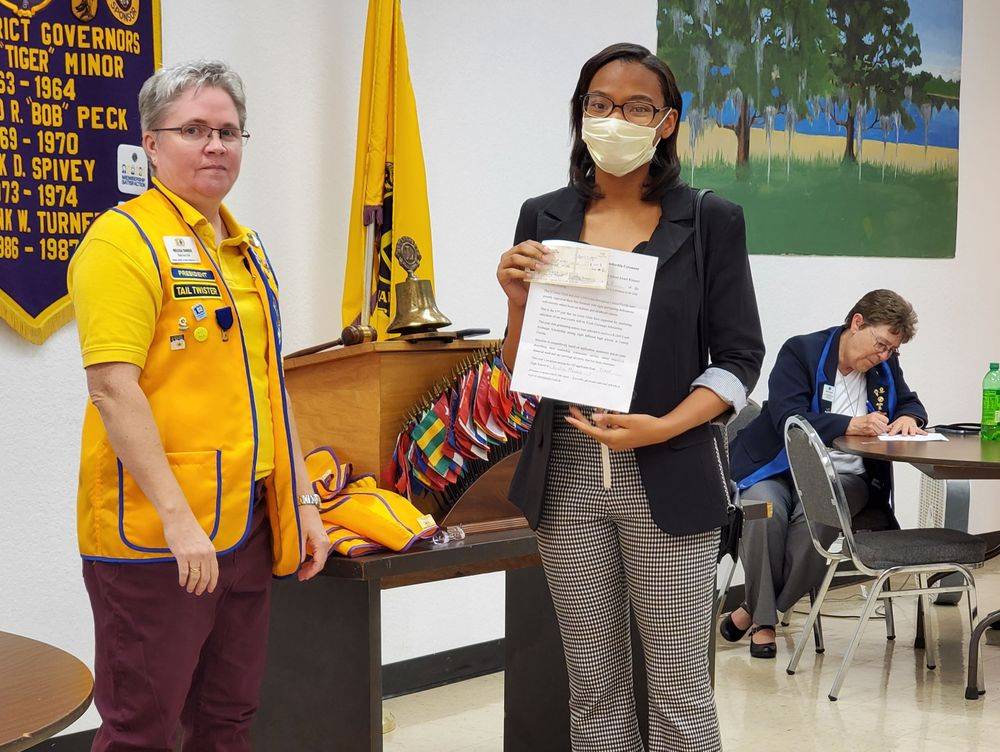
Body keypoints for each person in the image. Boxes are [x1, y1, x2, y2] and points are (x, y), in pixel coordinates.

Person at [498, 43, 763, 752]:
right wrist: (516, 302)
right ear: (580, 116)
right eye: (600, 104)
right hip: (567, 480)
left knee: (679, 692)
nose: (616, 117)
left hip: (670, 475)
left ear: (667, 121)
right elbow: (520, 368)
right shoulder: (542, 216)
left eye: (637, 106)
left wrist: (664, 425)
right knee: (593, 691)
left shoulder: (711, 220)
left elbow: (741, 359)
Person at [67, 60, 332, 750]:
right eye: (193, 130)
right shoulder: (121, 242)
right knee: (140, 731)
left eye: (228, 131)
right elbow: (112, 389)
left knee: (227, 718)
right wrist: (182, 525)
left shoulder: (243, 248)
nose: (215, 145)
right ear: (151, 144)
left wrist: (301, 500)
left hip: (246, 527)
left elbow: (272, 384)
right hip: (158, 538)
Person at [722, 289, 927, 658]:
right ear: (857, 323)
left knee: (817, 517)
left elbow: (909, 400)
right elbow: (788, 416)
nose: (883, 356)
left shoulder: (884, 367)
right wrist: (849, 424)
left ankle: (757, 614)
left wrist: (910, 416)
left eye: (891, 351)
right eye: (880, 345)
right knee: (761, 512)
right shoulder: (801, 351)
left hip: (845, 477)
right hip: (775, 467)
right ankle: (765, 619)